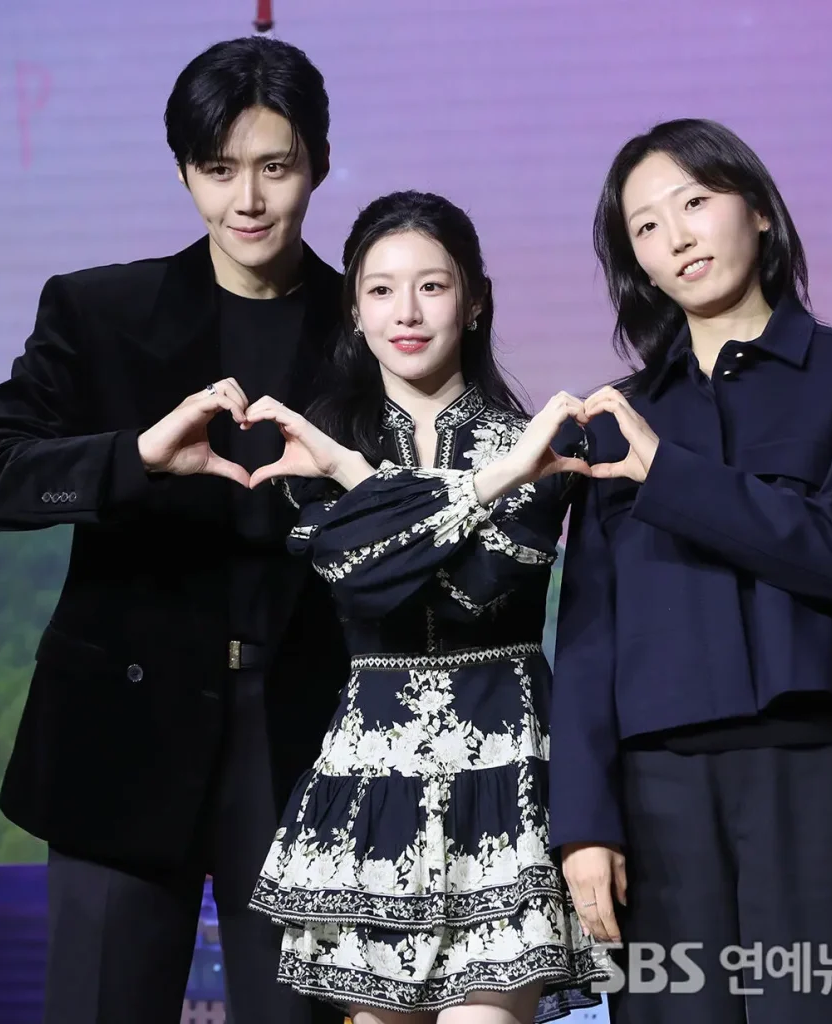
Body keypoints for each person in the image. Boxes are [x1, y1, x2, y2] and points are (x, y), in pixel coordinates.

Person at [0, 36, 348, 1024]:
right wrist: (131, 459)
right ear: (182, 172)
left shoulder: (369, 324)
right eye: (218, 169)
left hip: (306, 741)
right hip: (122, 736)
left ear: (318, 164)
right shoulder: (101, 310)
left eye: (274, 167)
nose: (246, 200)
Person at [549, 118, 832, 1023]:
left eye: (694, 203)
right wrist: (584, 825)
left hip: (814, 779)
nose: (674, 237)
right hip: (657, 802)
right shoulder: (616, 417)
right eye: (644, 227)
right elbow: (589, 635)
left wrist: (665, 474)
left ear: (755, 209)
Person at [239, 190, 609, 1022]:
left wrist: (362, 489)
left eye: (432, 286)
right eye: (379, 290)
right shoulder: (317, 448)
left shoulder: (538, 443)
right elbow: (358, 577)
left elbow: (471, 593)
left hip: (505, 770)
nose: (405, 312)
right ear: (354, 309)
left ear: (473, 301)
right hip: (375, 780)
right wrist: (491, 482)